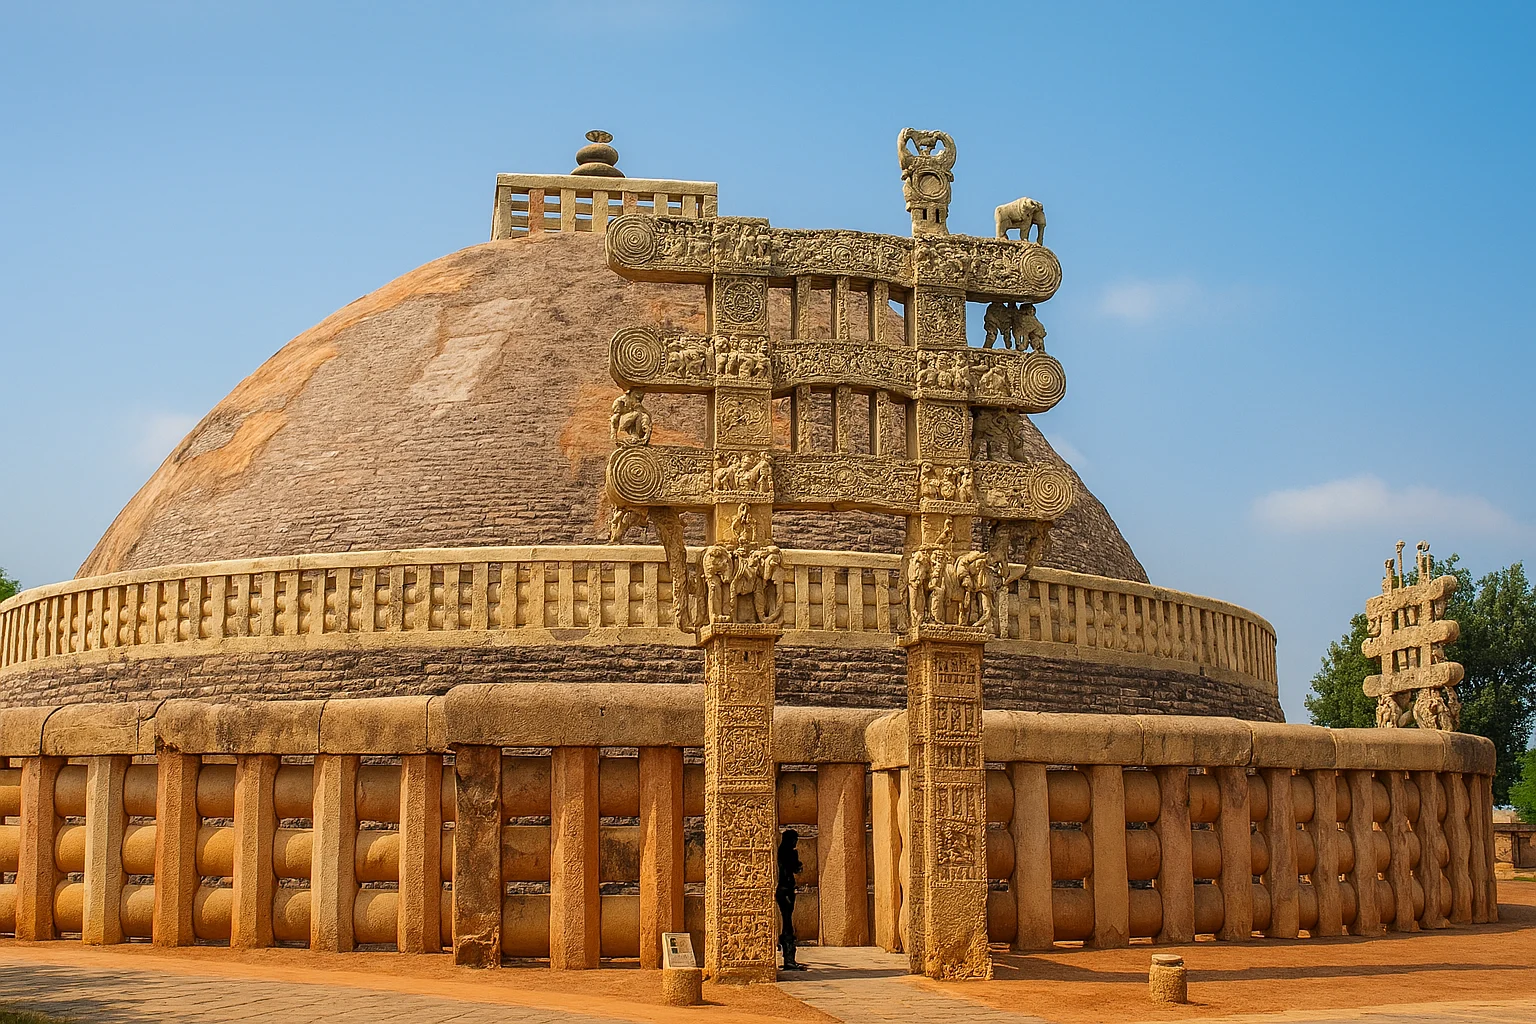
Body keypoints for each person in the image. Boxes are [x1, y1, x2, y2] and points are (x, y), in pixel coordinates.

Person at [776, 828, 806, 971]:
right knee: (787, 923)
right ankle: (789, 958)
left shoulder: (780, 852)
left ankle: (788, 955)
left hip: (782, 889)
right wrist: (798, 864)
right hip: (786, 889)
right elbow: (794, 869)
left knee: (786, 921)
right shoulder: (789, 853)